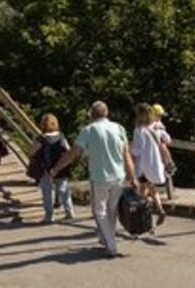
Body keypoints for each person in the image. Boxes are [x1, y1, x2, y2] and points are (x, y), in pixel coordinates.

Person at [52, 101, 134, 257]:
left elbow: (73, 153)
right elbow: (126, 155)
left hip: (100, 177)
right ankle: (107, 239)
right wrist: (132, 176)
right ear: (106, 113)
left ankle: (110, 244)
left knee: (99, 211)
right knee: (112, 209)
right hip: (118, 175)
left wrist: (56, 168)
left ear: (91, 114)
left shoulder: (88, 130)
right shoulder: (119, 128)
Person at [131, 103, 173, 232]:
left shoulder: (138, 130)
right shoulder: (157, 127)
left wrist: (129, 153)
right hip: (154, 165)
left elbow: (137, 150)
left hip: (143, 166)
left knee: (142, 195)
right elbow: (168, 140)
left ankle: (146, 223)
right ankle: (160, 209)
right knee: (152, 188)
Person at [29, 113, 75, 223]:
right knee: (64, 190)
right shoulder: (61, 136)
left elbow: (32, 151)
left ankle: (49, 216)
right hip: (60, 167)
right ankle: (69, 212)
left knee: (47, 191)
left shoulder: (40, 139)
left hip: (45, 168)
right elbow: (68, 149)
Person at [149, 104, 176, 200]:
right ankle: (169, 163)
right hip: (152, 149)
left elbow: (166, 138)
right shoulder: (155, 126)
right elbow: (166, 139)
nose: (160, 117)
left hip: (152, 149)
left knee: (162, 145)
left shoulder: (155, 125)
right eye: (159, 115)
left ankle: (168, 164)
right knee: (162, 145)